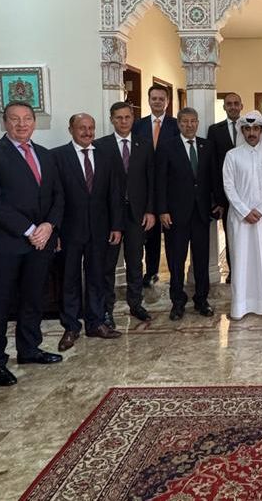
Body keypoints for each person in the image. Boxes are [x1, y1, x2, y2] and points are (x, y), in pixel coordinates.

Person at [0, 101, 64, 387]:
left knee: (33, 298)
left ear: (34, 122)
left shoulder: (45, 155)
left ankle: (29, 349)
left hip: (41, 242)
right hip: (6, 243)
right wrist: (29, 229)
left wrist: (49, 225)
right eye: (15, 119)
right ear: (4, 122)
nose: (22, 124)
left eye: (27, 118)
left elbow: (58, 196)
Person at [52, 113, 123, 351]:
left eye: (91, 127)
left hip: (100, 229)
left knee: (97, 277)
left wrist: (116, 225)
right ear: (70, 129)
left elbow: (114, 193)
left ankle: (96, 323)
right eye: (81, 128)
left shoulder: (106, 155)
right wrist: (55, 231)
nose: (87, 132)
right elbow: (54, 196)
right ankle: (71, 327)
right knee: (69, 279)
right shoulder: (57, 156)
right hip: (69, 231)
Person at [156, 107, 222, 320]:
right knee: (176, 261)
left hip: (201, 213)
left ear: (197, 123)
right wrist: (162, 210)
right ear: (179, 124)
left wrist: (219, 202)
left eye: (193, 121)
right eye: (185, 121)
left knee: (202, 259)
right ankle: (177, 302)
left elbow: (214, 177)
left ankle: (202, 300)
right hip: (175, 215)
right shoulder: (167, 146)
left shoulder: (207, 146)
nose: (189, 125)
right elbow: (160, 181)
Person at [222, 111, 262, 319]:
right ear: (242, 131)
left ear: (261, 130)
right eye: (247, 129)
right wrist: (244, 211)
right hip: (240, 219)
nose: (251, 133)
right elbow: (229, 186)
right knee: (242, 261)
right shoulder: (232, 156)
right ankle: (241, 307)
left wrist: (261, 209)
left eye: (255, 128)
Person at [97, 102, 154, 326]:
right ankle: (106, 309)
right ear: (112, 119)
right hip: (110, 216)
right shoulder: (101, 146)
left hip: (137, 214)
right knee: (108, 264)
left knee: (135, 262)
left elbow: (151, 180)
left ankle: (136, 304)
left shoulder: (144, 144)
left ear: (133, 119)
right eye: (118, 117)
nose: (123, 121)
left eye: (127, 117)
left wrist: (150, 210)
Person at [133, 84, 178, 288]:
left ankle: (175, 273)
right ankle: (151, 272)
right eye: (154, 98)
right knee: (149, 233)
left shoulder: (176, 125)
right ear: (149, 100)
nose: (158, 102)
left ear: (167, 102)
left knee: (171, 234)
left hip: (170, 187)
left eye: (161, 99)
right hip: (145, 185)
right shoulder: (138, 125)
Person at [208, 92, 243, 283]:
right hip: (226, 194)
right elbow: (213, 166)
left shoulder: (250, 127)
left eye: (236, 103)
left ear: (241, 106)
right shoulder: (215, 130)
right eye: (229, 104)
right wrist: (218, 199)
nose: (233, 107)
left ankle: (248, 271)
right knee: (231, 233)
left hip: (248, 192)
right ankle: (234, 271)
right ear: (224, 107)